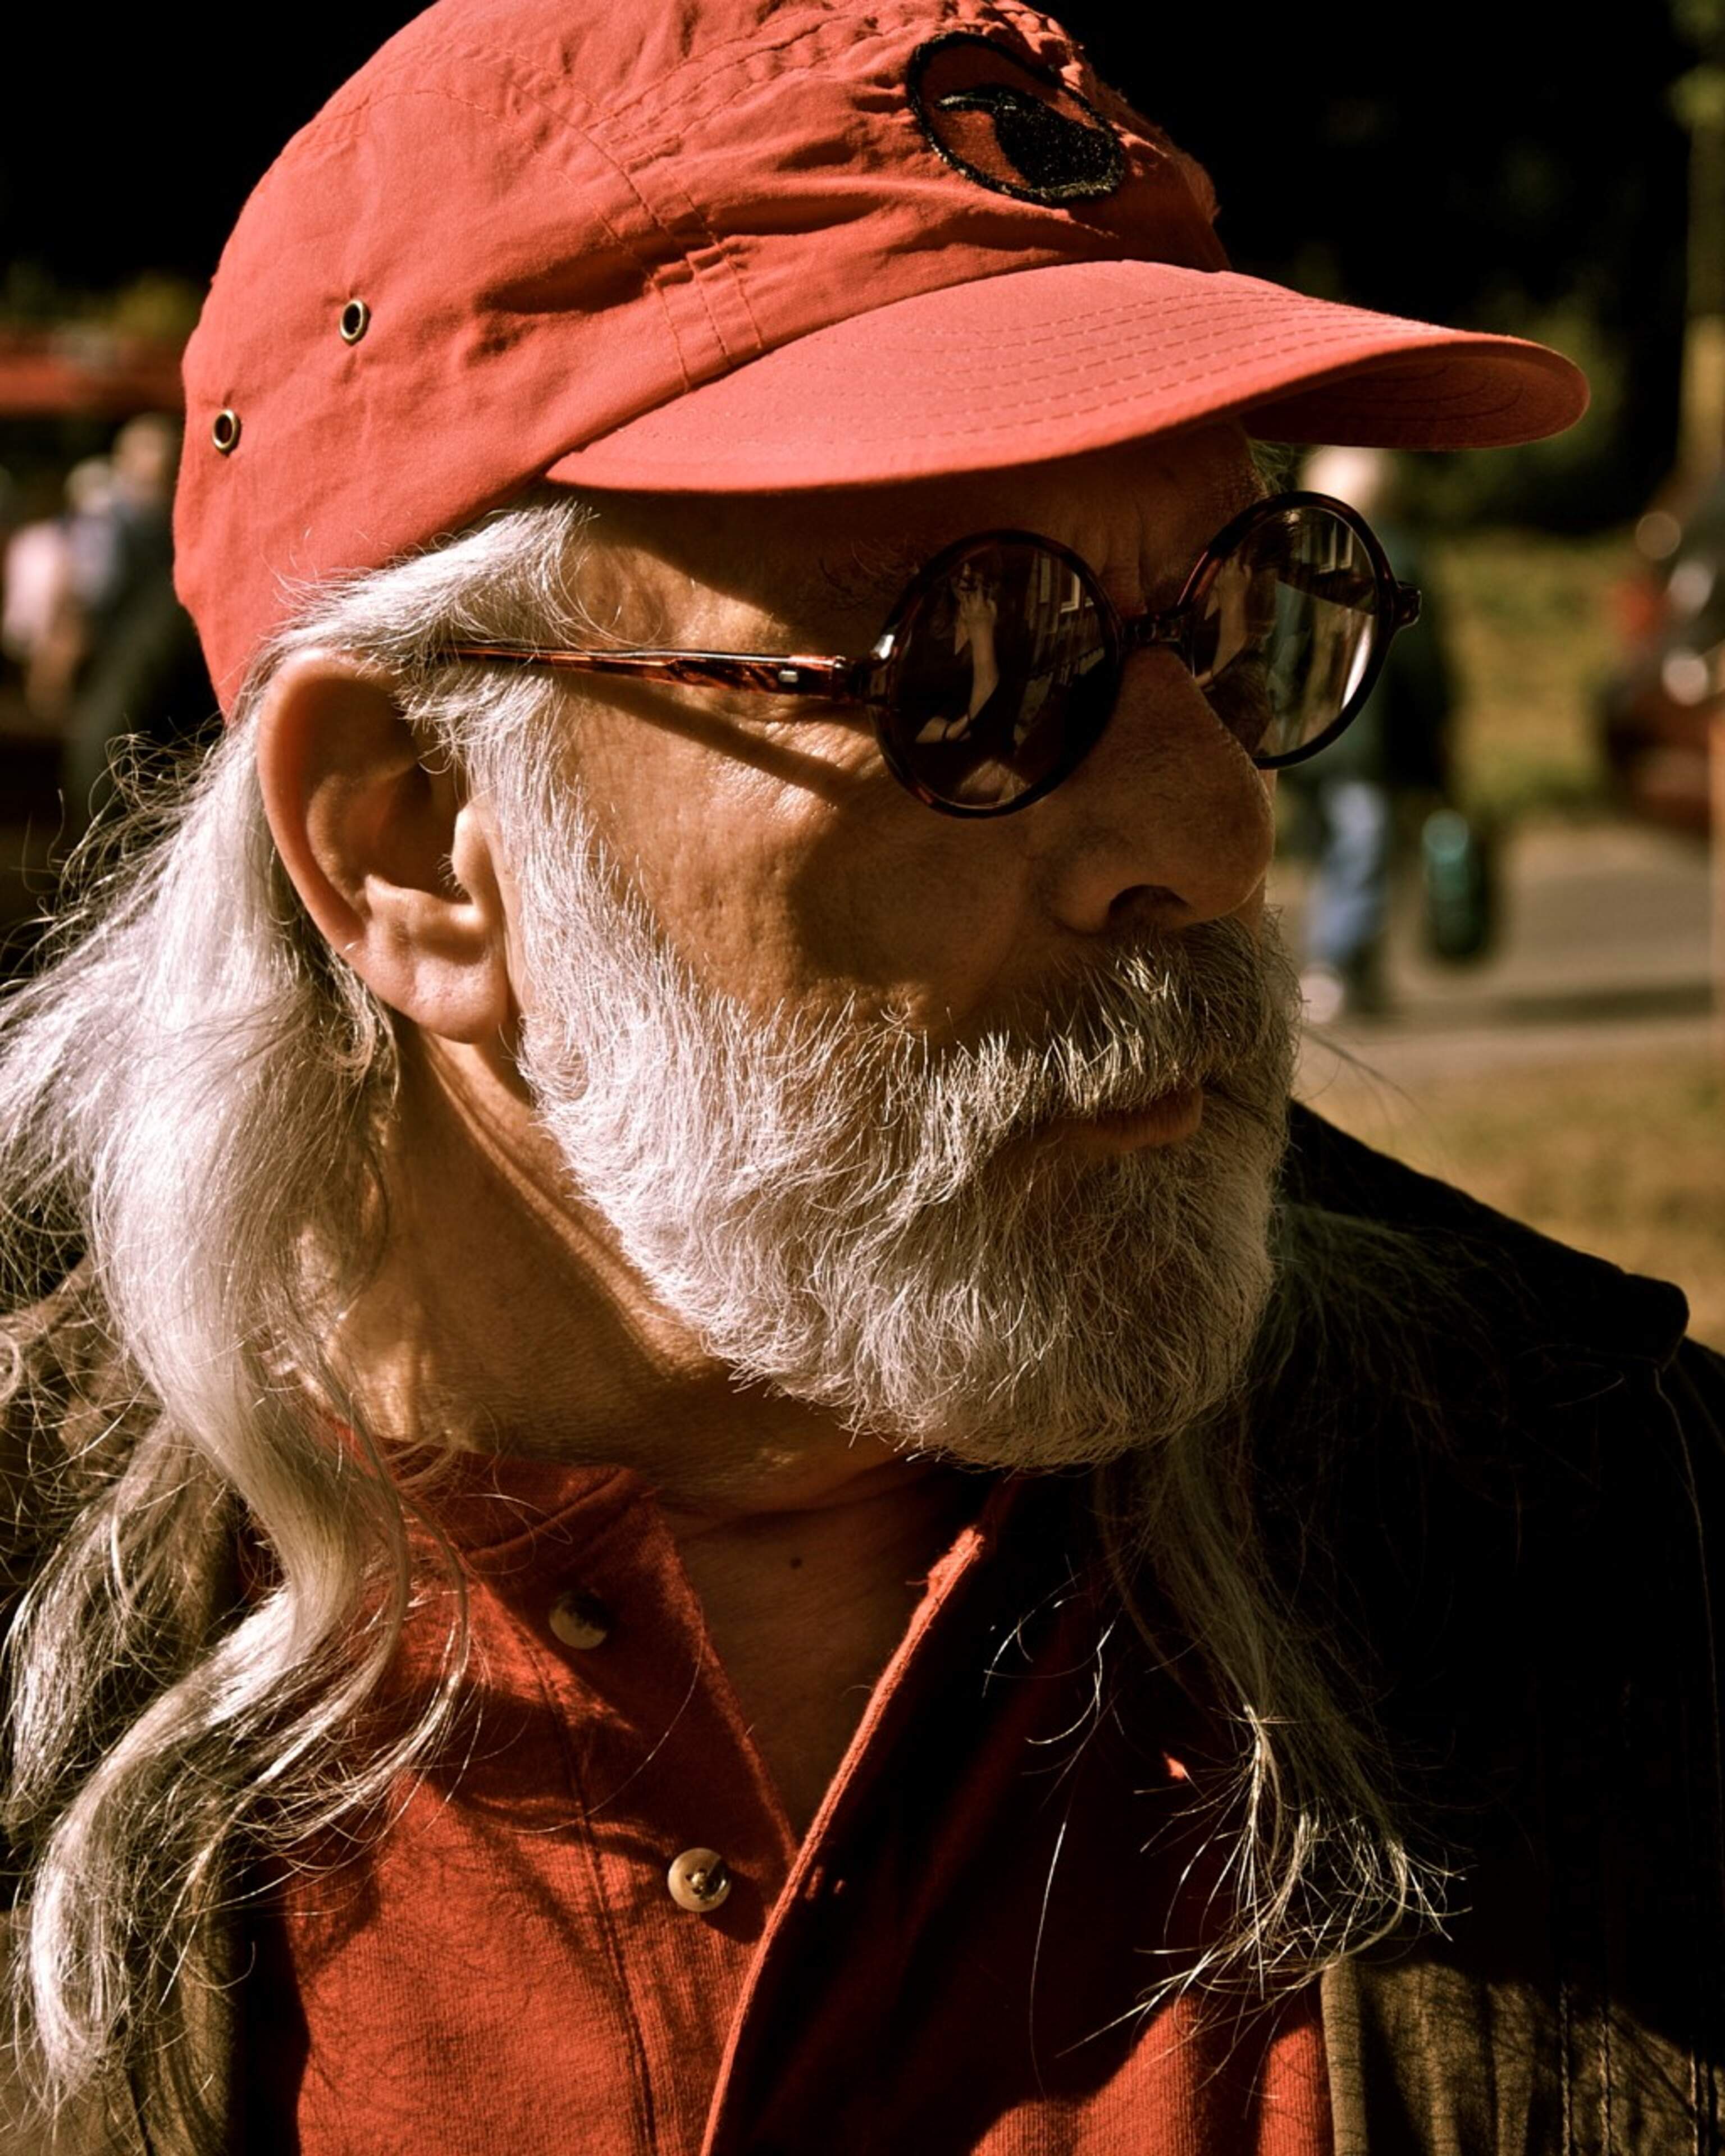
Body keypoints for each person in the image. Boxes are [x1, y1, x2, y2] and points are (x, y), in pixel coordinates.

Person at [0, 3, 1718, 2152]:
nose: (1212, 836)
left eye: (1240, 619)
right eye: (976, 669)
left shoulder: (1640, 1569)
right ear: (415, 841)